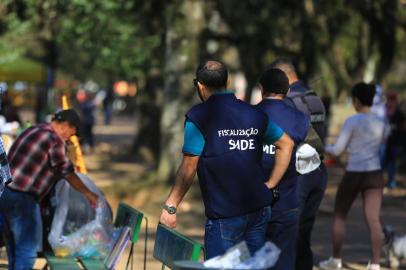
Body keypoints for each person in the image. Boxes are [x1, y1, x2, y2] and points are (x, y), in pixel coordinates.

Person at [159, 60, 294, 259]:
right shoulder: (254, 113)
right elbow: (287, 144)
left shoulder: (199, 116)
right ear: (228, 81)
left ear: (199, 85)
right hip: (258, 209)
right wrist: (271, 183)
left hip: (225, 215)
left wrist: (171, 207)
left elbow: (189, 166)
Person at [0, 109, 98, 270]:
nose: (69, 138)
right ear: (66, 126)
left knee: (14, 248)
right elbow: (66, 171)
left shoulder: (33, 130)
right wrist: (88, 193)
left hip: (5, 193)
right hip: (22, 197)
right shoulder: (54, 139)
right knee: (27, 250)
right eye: (71, 134)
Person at [319, 83, 389, 270]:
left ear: (356, 100)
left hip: (354, 173)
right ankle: (375, 264)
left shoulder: (353, 121)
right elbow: (381, 143)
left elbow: (338, 149)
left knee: (340, 215)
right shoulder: (381, 123)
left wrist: (322, 148)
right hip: (374, 174)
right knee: (373, 219)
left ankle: (335, 260)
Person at [270, 58, 328, 270]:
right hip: (319, 172)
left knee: (290, 236)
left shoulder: (288, 101)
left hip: (299, 174)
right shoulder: (315, 98)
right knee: (304, 235)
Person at [256, 68, 310, 270]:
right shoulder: (301, 119)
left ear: (261, 89)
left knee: (251, 260)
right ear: (287, 91)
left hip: (252, 202)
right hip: (287, 200)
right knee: (284, 262)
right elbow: (315, 154)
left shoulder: (249, 115)